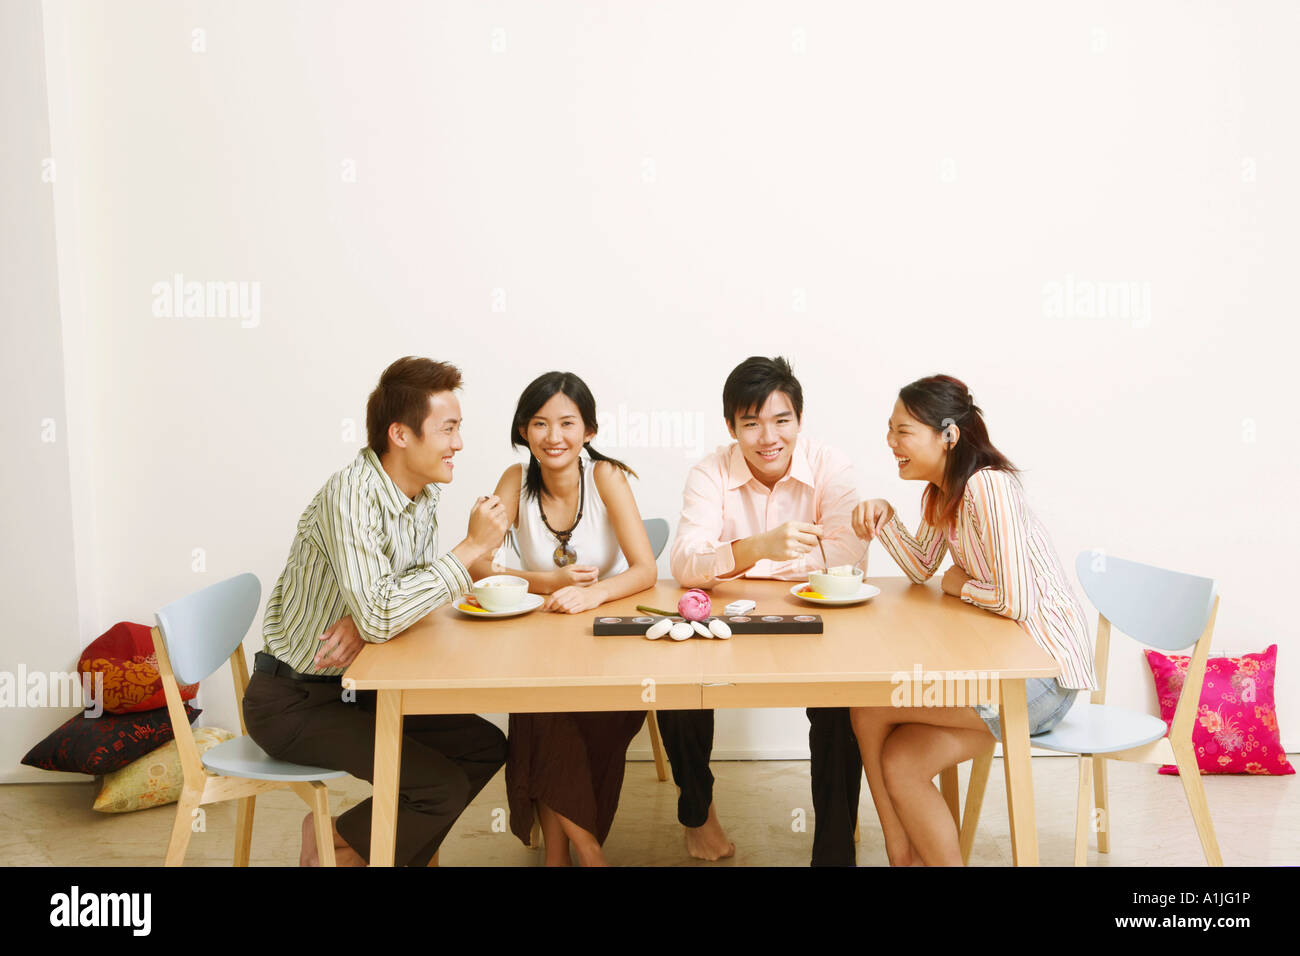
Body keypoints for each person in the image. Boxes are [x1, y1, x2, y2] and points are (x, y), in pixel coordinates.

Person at [242, 356, 510, 867]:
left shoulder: (423, 496)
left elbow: (392, 602)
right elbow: (384, 612)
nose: (458, 444)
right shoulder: (352, 494)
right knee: (438, 789)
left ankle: (338, 838)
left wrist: (374, 620)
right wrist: (469, 549)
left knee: (484, 746)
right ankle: (343, 854)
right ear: (401, 434)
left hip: (362, 687)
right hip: (294, 701)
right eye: (448, 429)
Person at [849, 374, 1098, 866]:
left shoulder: (988, 486)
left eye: (903, 431)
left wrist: (956, 583)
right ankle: (907, 859)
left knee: (871, 708)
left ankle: (901, 858)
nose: (891, 442)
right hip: (1003, 669)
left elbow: (1016, 600)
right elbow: (923, 565)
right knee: (899, 758)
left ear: (948, 435)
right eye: (890, 430)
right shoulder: (944, 493)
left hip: (1040, 679)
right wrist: (886, 516)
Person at [666, 356, 868, 865]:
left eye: (781, 421)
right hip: (728, 619)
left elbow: (847, 559)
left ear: (799, 420)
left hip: (814, 617)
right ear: (731, 426)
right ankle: (698, 814)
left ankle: (835, 848)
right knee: (675, 685)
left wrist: (737, 562)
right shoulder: (709, 471)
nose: (767, 437)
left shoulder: (831, 466)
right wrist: (759, 547)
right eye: (751, 423)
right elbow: (686, 564)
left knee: (842, 703)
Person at [469, 371, 656, 866]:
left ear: (589, 430)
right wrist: (549, 582)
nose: (554, 437)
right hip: (543, 636)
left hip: (612, 639)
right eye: (539, 423)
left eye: (567, 423)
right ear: (524, 431)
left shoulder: (605, 476)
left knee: (554, 716)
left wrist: (592, 596)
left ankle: (560, 853)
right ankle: (584, 850)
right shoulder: (514, 480)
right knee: (540, 702)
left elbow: (646, 569)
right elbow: (478, 562)